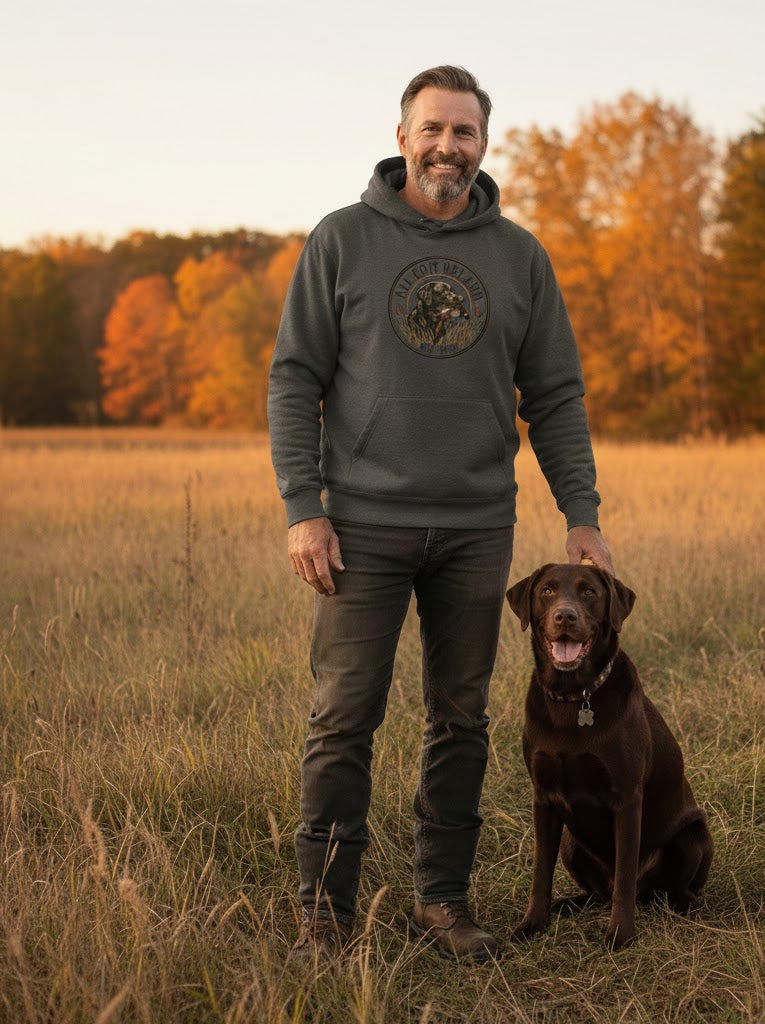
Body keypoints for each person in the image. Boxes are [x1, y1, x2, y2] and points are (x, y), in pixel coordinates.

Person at [268, 65, 613, 964]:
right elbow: (294, 379)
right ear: (402, 138)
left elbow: (558, 395)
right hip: (363, 528)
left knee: (461, 719)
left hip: (475, 527)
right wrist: (305, 507)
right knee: (344, 717)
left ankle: (443, 901)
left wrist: (581, 512)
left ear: (484, 146)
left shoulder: (519, 256)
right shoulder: (340, 241)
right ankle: (325, 914)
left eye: (464, 133)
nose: (447, 147)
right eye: (433, 130)